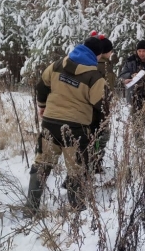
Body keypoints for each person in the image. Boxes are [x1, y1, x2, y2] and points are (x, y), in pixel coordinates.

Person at [25, 36, 106, 216]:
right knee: (77, 169)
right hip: (75, 129)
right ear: (97, 54)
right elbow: (98, 106)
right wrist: (94, 131)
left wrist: (42, 106)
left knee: (42, 164)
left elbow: (41, 85)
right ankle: (77, 209)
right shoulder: (95, 76)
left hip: (50, 123)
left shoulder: (57, 65)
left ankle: (31, 208)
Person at [91, 33, 116, 173]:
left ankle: (94, 163)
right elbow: (105, 89)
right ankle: (95, 163)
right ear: (107, 52)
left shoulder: (101, 64)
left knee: (95, 136)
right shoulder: (103, 66)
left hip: (96, 107)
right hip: (100, 107)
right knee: (102, 135)